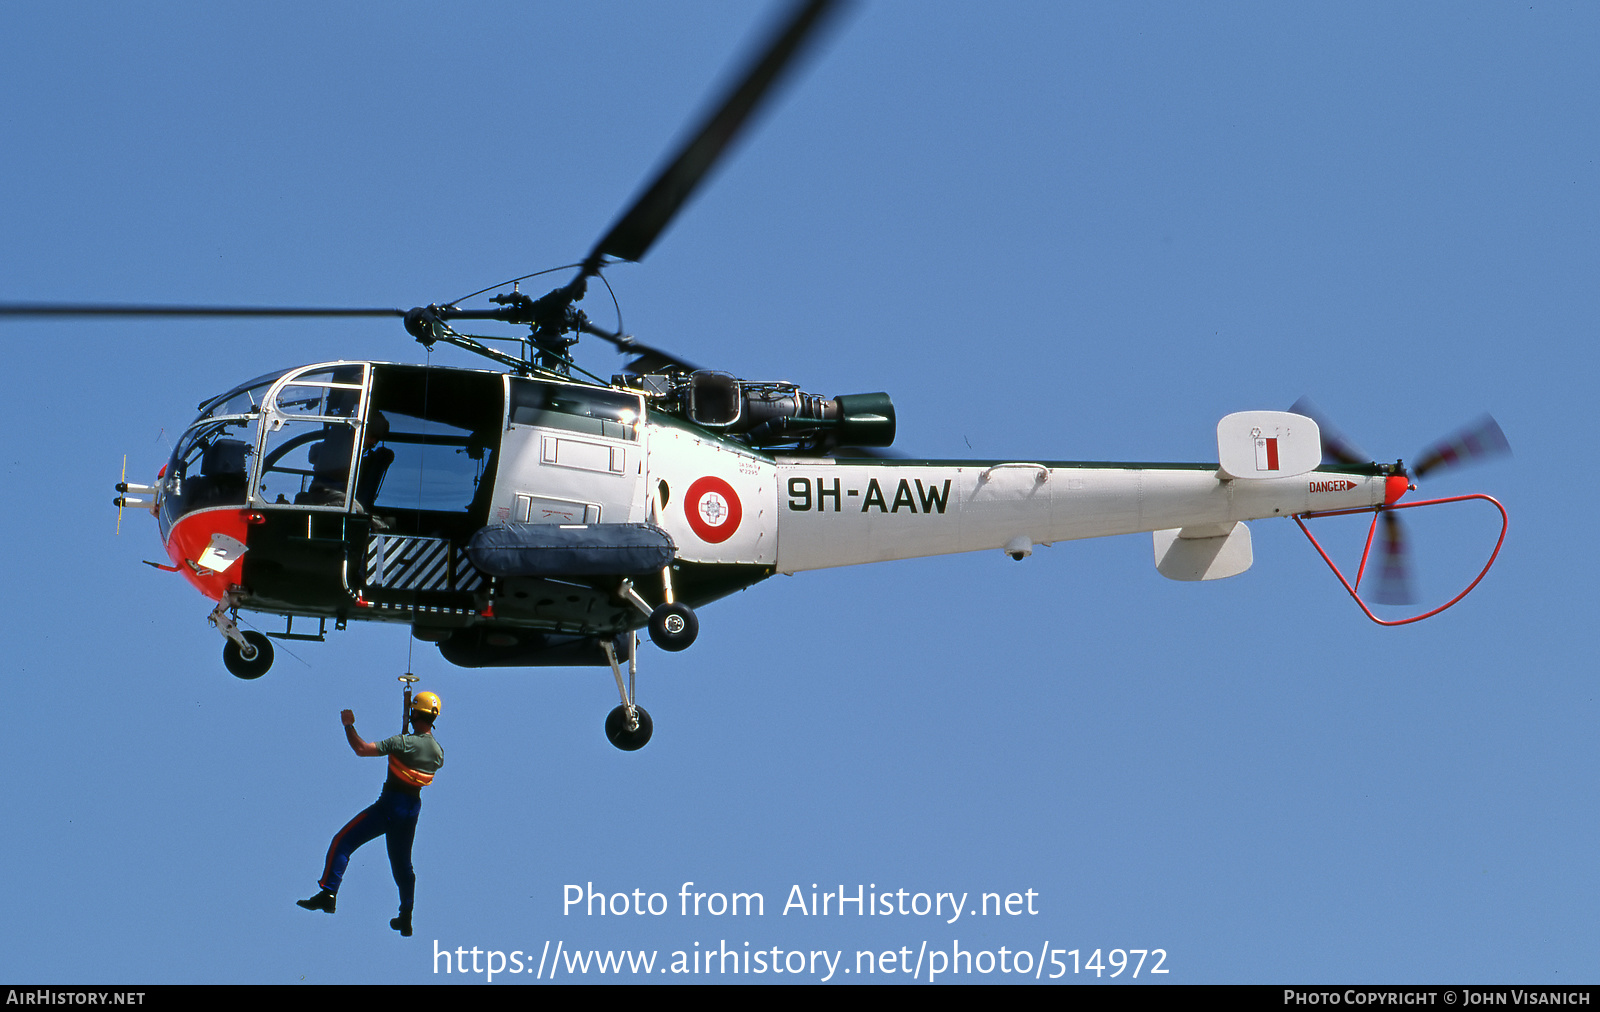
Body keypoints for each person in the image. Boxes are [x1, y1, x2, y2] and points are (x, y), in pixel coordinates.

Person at [296, 692, 444, 937]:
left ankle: (328, 894)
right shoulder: (438, 753)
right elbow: (421, 752)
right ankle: (406, 917)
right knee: (403, 867)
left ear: (414, 713)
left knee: (342, 842)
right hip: (411, 810)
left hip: (389, 806)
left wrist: (348, 725)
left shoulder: (402, 743)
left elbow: (361, 749)